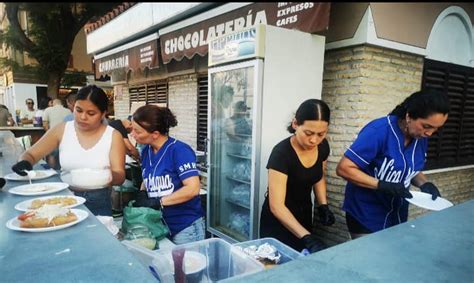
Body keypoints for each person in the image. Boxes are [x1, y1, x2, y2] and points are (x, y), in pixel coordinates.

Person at [336, 89, 450, 239]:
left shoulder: (421, 138)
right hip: (366, 212)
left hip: (397, 213)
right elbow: (344, 168)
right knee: (371, 259)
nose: (430, 133)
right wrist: (381, 185)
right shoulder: (379, 131)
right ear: (409, 116)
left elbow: (410, 168)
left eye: (436, 129)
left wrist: (424, 184)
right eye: (427, 126)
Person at [11, 85, 126, 216]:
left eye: (91, 113)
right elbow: (31, 154)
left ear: (103, 114)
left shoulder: (113, 136)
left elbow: (120, 175)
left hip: (98, 201)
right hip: (65, 199)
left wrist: (106, 176)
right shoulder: (62, 130)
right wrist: (24, 162)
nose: (83, 117)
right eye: (78, 110)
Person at [260, 99, 336, 253]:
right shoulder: (281, 154)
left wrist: (323, 205)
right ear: (295, 124)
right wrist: (306, 237)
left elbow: (318, 175)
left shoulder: (322, 147)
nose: (314, 140)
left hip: (304, 214)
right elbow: (277, 206)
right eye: (308, 133)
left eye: (321, 134)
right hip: (279, 220)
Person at [131, 105, 204, 245]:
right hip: (159, 224)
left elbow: (193, 188)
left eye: (137, 131)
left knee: (185, 266)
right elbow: (148, 175)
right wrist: (142, 193)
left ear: (155, 134)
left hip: (185, 227)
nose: (133, 134)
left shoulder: (179, 150)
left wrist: (159, 202)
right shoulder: (147, 151)